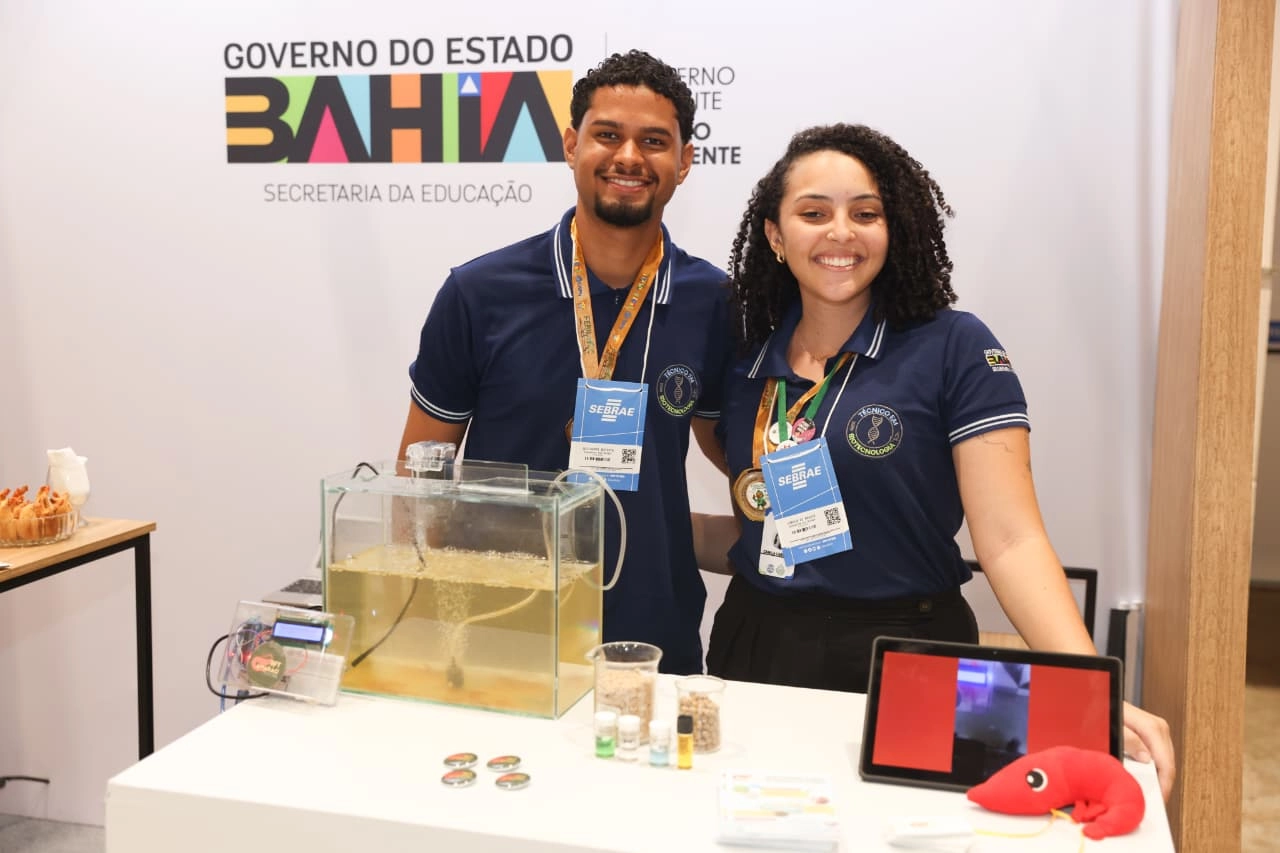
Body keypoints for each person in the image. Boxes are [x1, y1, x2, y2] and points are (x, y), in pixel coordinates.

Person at [696, 123, 1175, 797]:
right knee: (747, 827)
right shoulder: (745, 358)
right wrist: (641, 526)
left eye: (866, 213)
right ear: (776, 235)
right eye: (814, 213)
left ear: (894, 229)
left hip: (907, 653)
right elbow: (760, 521)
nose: (841, 232)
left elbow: (1010, 539)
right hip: (756, 644)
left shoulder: (953, 346)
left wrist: (1088, 686)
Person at [399, 50, 730, 676]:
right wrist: (429, 615)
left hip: (652, 635)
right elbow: (420, 480)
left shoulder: (713, 303)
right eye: (608, 135)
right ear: (572, 145)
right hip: (501, 629)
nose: (628, 157)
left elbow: (738, 455)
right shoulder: (480, 293)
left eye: (653, 141)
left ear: (684, 161)